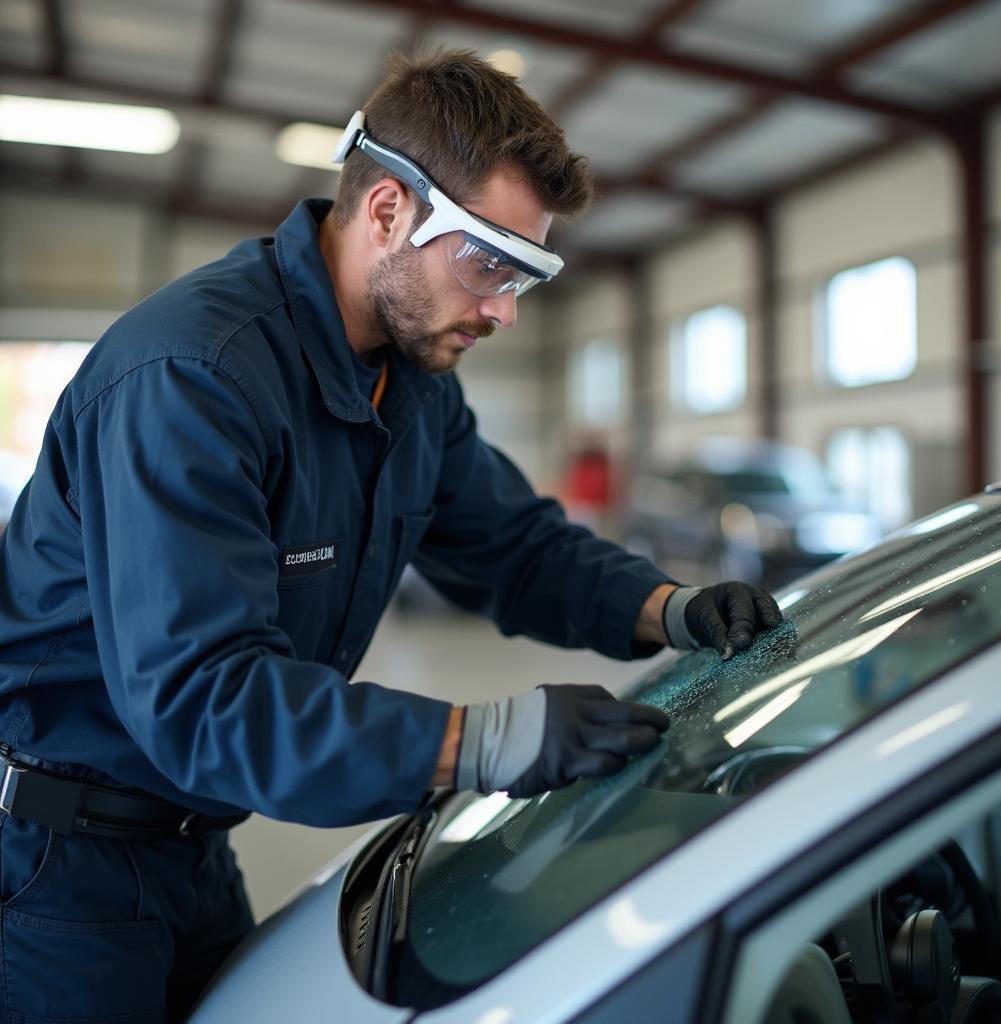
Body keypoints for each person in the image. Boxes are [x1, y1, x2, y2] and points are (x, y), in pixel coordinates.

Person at [0, 50, 781, 1020]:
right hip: (55, 872)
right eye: (490, 261)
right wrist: (484, 739)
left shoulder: (409, 387)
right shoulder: (194, 376)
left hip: (191, 843)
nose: (501, 308)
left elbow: (514, 544)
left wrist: (672, 609)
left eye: (524, 276)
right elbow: (205, 700)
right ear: (386, 212)